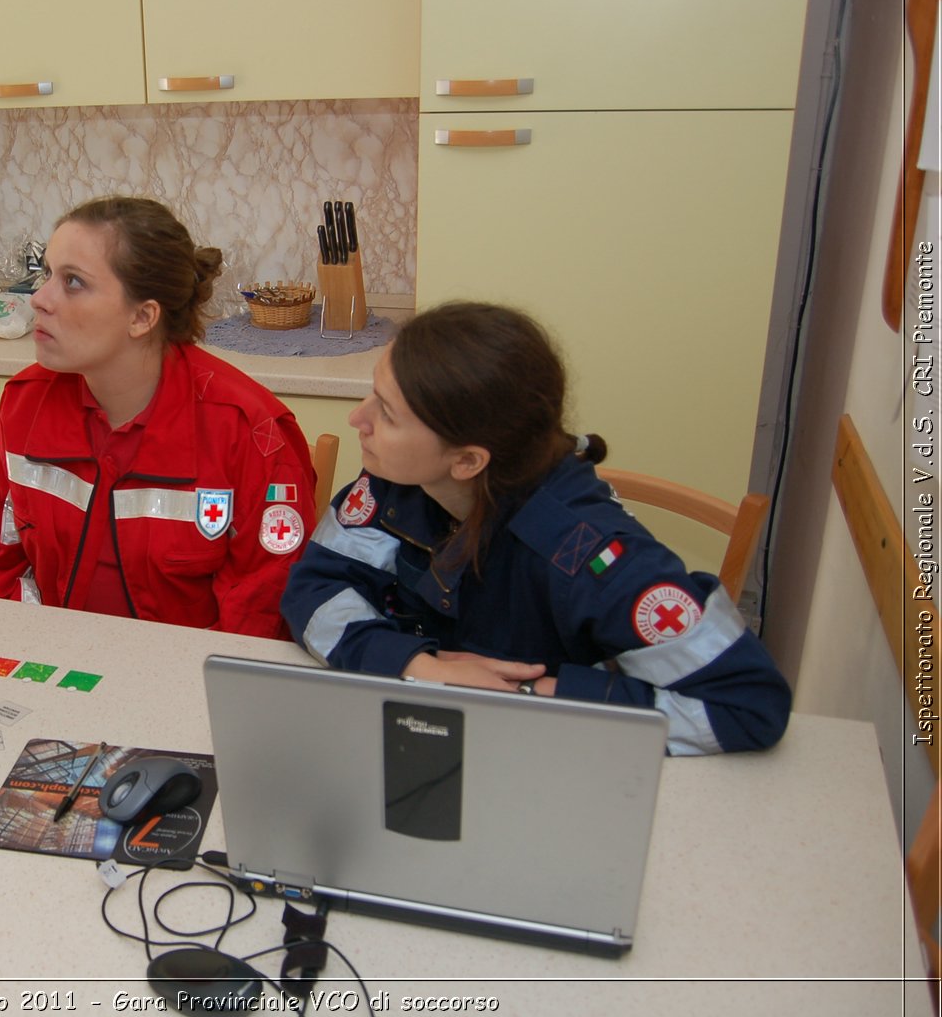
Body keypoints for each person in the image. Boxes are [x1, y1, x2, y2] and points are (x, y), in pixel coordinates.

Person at [281, 301, 790, 754]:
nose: (358, 420)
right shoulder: (398, 484)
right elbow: (315, 589)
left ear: (467, 461)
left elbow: (748, 704)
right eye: (373, 394)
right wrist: (419, 666)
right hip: (428, 741)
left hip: (547, 761)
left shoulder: (588, 554)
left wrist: (531, 694)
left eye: (386, 414)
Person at [0, 196, 316, 639]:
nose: (39, 298)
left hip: (187, 689)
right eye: (46, 273)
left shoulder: (250, 434)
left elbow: (259, 621)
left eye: (72, 282)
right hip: (51, 668)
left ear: (142, 316)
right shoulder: (24, 406)